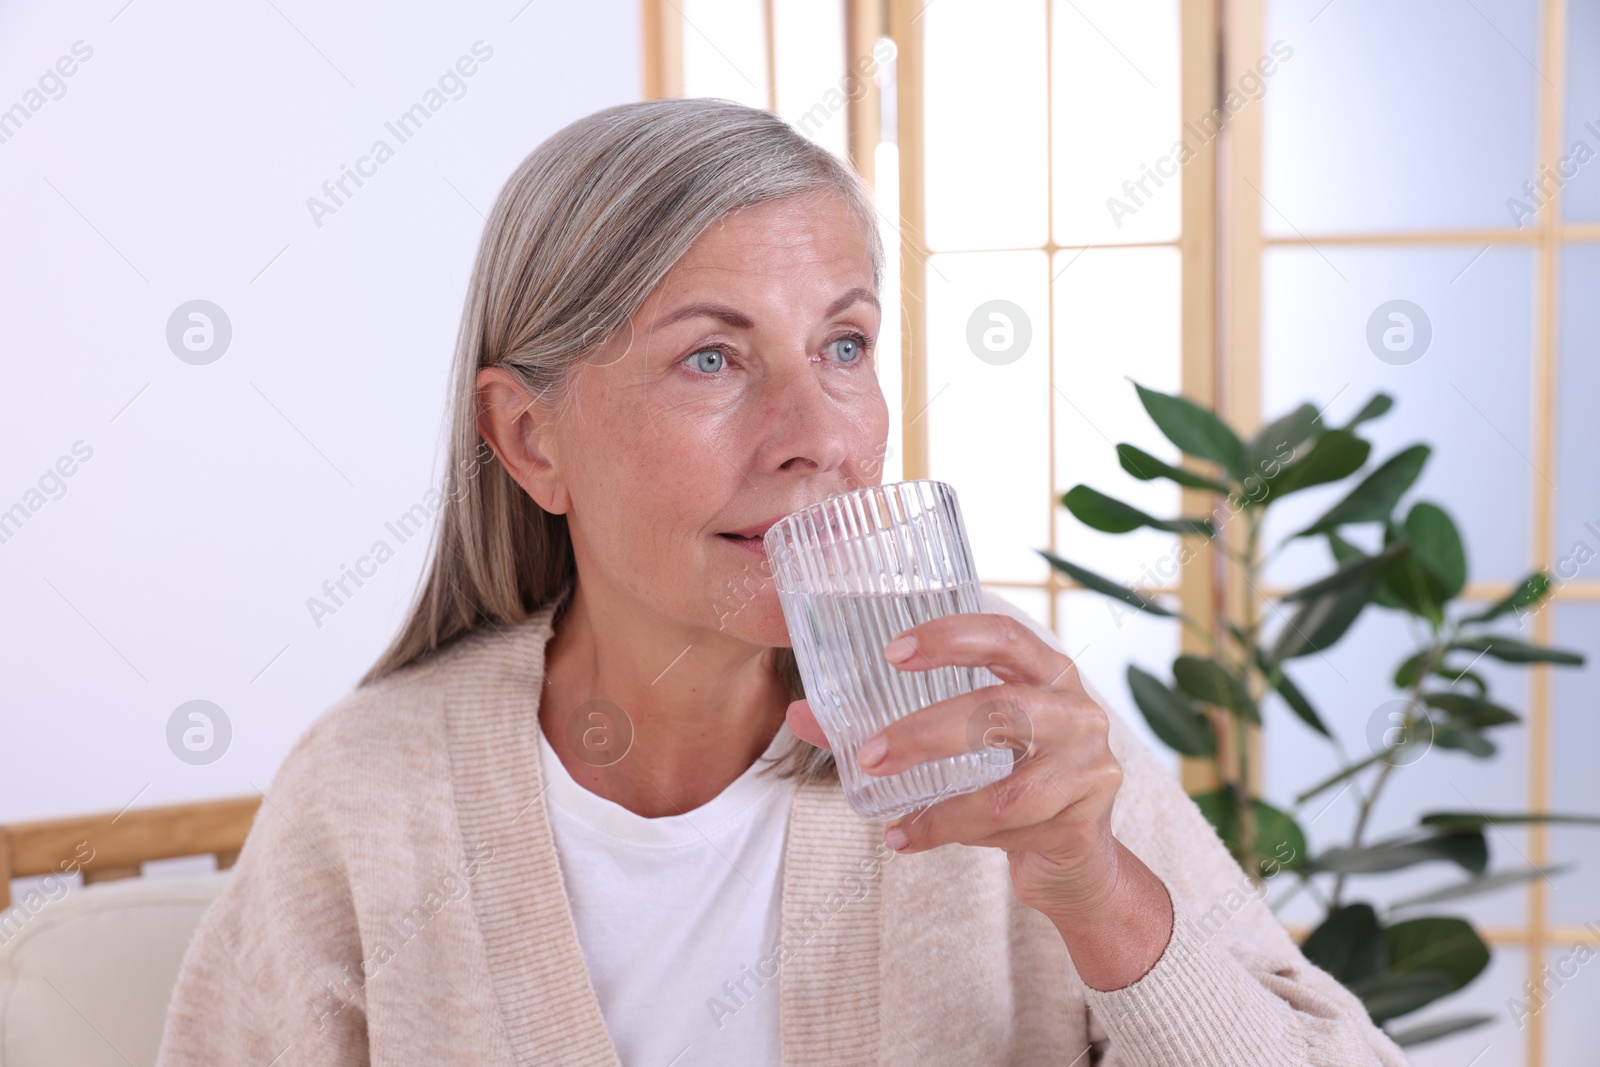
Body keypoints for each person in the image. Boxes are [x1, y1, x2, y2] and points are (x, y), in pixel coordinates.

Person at [155, 97, 1408, 1066]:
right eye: (711, 357)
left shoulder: (994, 731)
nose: (820, 433)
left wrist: (1097, 890)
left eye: (844, 344)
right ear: (531, 439)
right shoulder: (373, 793)